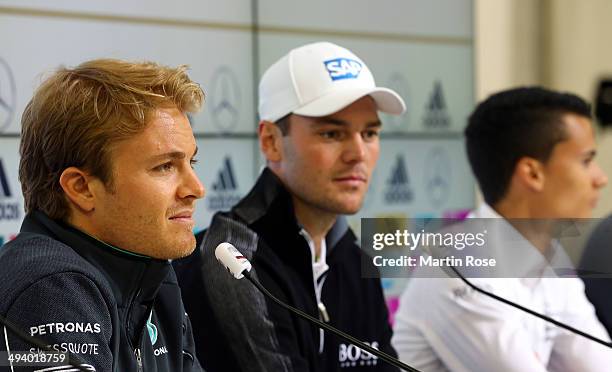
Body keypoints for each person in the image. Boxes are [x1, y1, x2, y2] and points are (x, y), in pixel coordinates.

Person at [174, 41, 405, 371]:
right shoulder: (233, 260)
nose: (358, 153)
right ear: (271, 141)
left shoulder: (353, 258)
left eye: (369, 133)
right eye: (332, 134)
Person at [0, 59, 206, 371]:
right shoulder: (50, 287)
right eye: (165, 166)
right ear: (81, 187)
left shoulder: (153, 276)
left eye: (192, 162)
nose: (196, 188)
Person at [392, 87, 612, 371]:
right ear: (532, 173)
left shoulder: (548, 256)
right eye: (586, 161)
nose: (600, 178)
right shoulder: (457, 267)